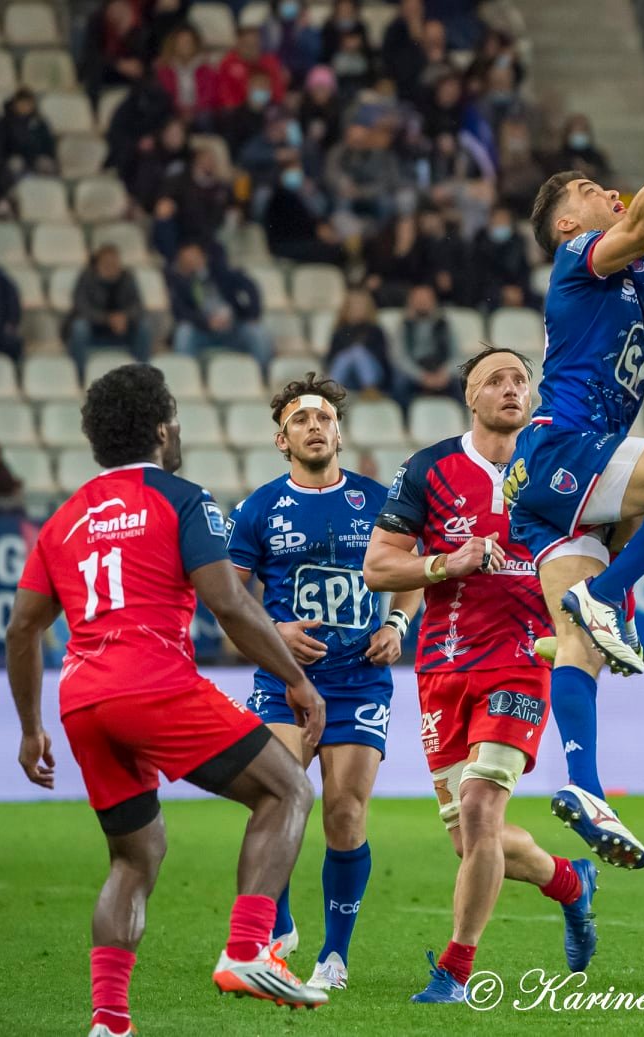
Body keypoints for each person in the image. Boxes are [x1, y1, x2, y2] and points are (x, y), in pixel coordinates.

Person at [5, 364, 331, 1034]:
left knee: (135, 854)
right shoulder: (182, 497)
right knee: (288, 789)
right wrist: (296, 680)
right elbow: (229, 604)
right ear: (161, 427)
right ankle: (246, 951)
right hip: (152, 680)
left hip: (81, 700)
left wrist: (31, 728)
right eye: (174, 418)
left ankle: (109, 1020)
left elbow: (22, 628)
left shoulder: (62, 521)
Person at [510, 86, 644, 869]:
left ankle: (586, 787)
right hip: (567, 447)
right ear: (568, 224)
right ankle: (608, 597)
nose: (605, 190)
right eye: (586, 191)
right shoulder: (579, 259)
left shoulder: (636, 273)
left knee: (579, 645)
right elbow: (642, 222)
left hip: (548, 489)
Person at [365, 347, 599, 1004]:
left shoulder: (563, 464)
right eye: (495, 379)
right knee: (471, 837)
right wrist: (446, 563)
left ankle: (455, 970)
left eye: (520, 378)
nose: (510, 387)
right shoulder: (430, 468)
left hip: (525, 664)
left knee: (479, 806)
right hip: (443, 668)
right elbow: (379, 567)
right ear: (471, 396)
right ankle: (570, 882)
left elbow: (608, 539)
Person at [226, 374, 422, 993]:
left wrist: (395, 622)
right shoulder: (258, 508)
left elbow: (411, 574)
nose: (314, 426)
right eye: (300, 419)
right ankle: (279, 926)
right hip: (284, 681)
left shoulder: (378, 501)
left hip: (360, 681)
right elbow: (228, 601)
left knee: (344, 810)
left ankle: (334, 957)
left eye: (323, 418)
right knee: (279, 798)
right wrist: (274, 632)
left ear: (339, 431)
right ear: (282, 438)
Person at [165, 243, 274, 369]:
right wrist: (207, 323)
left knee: (257, 332)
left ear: (203, 257)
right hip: (202, 331)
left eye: (194, 257)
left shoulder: (222, 272)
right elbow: (180, 311)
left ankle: (263, 377)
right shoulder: (179, 282)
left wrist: (252, 315)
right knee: (184, 332)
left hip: (233, 328)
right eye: (186, 259)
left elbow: (250, 288)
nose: (191, 262)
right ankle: (185, 374)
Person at [68, 244, 152, 371]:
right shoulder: (87, 278)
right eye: (107, 262)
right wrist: (108, 319)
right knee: (79, 327)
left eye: (115, 262)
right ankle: (79, 374)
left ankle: (141, 373)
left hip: (122, 330)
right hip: (94, 330)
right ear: (98, 264)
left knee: (144, 326)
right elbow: (81, 307)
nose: (111, 265)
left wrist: (124, 317)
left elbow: (137, 306)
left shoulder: (127, 278)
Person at [264, 162, 350, 267]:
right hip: (285, 245)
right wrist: (319, 230)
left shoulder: (303, 195)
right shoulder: (281, 196)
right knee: (336, 251)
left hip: (299, 241)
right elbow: (307, 224)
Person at [326, 290, 401, 400]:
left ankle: (369, 388)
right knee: (349, 354)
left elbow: (382, 358)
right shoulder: (339, 332)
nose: (357, 309)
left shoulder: (376, 331)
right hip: (348, 377)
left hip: (375, 376)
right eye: (354, 306)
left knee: (358, 352)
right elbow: (332, 359)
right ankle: (332, 389)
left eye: (361, 306)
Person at [390, 283, 459, 401]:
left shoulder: (444, 325)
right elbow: (400, 358)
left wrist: (445, 373)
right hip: (415, 371)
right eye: (418, 299)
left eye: (426, 299)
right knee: (399, 384)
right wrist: (421, 376)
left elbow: (457, 355)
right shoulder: (404, 326)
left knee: (463, 385)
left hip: (441, 369)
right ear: (411, 301)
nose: (422, 302)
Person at [155, 26, 222, 128]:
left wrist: (194, 111)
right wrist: (181, 111)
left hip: (200, 112)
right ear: (174, 45)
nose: (184, 46)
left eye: (188, 42)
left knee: (205, 117)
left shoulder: (206, 68)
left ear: (195, 44)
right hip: (174, 111)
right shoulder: (165, 70)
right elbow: (165, 95)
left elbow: (210, 95)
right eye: (180, 43)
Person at [468, 208, 532, 311]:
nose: (501, 224)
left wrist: (519, 290)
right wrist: (502, 291)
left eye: (504, 221)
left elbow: (524, 272)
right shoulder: (480, 244)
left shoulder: (517, 243)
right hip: (488, 294)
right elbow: (479, 275)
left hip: (517, 292)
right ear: (490, 222)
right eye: (498, 220)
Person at [0, 88, 59, 177]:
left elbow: (49, 144)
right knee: (15, 164)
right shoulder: (5, 123)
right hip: (15, 159)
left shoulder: (40, 122)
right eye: (21, 103)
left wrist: (46, 156)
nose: (24, 106)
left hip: (36, 159)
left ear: (32, 105)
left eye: (27, 103)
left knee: (46, 164)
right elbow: (2, 146)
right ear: (15, 104)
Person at [551, 114, 611, 184]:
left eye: (583, 130)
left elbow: (606, 176)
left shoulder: (597, 156)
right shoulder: (557, 157)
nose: (579, 134)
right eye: (576, 131)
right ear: (567, 133)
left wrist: (593, 172)